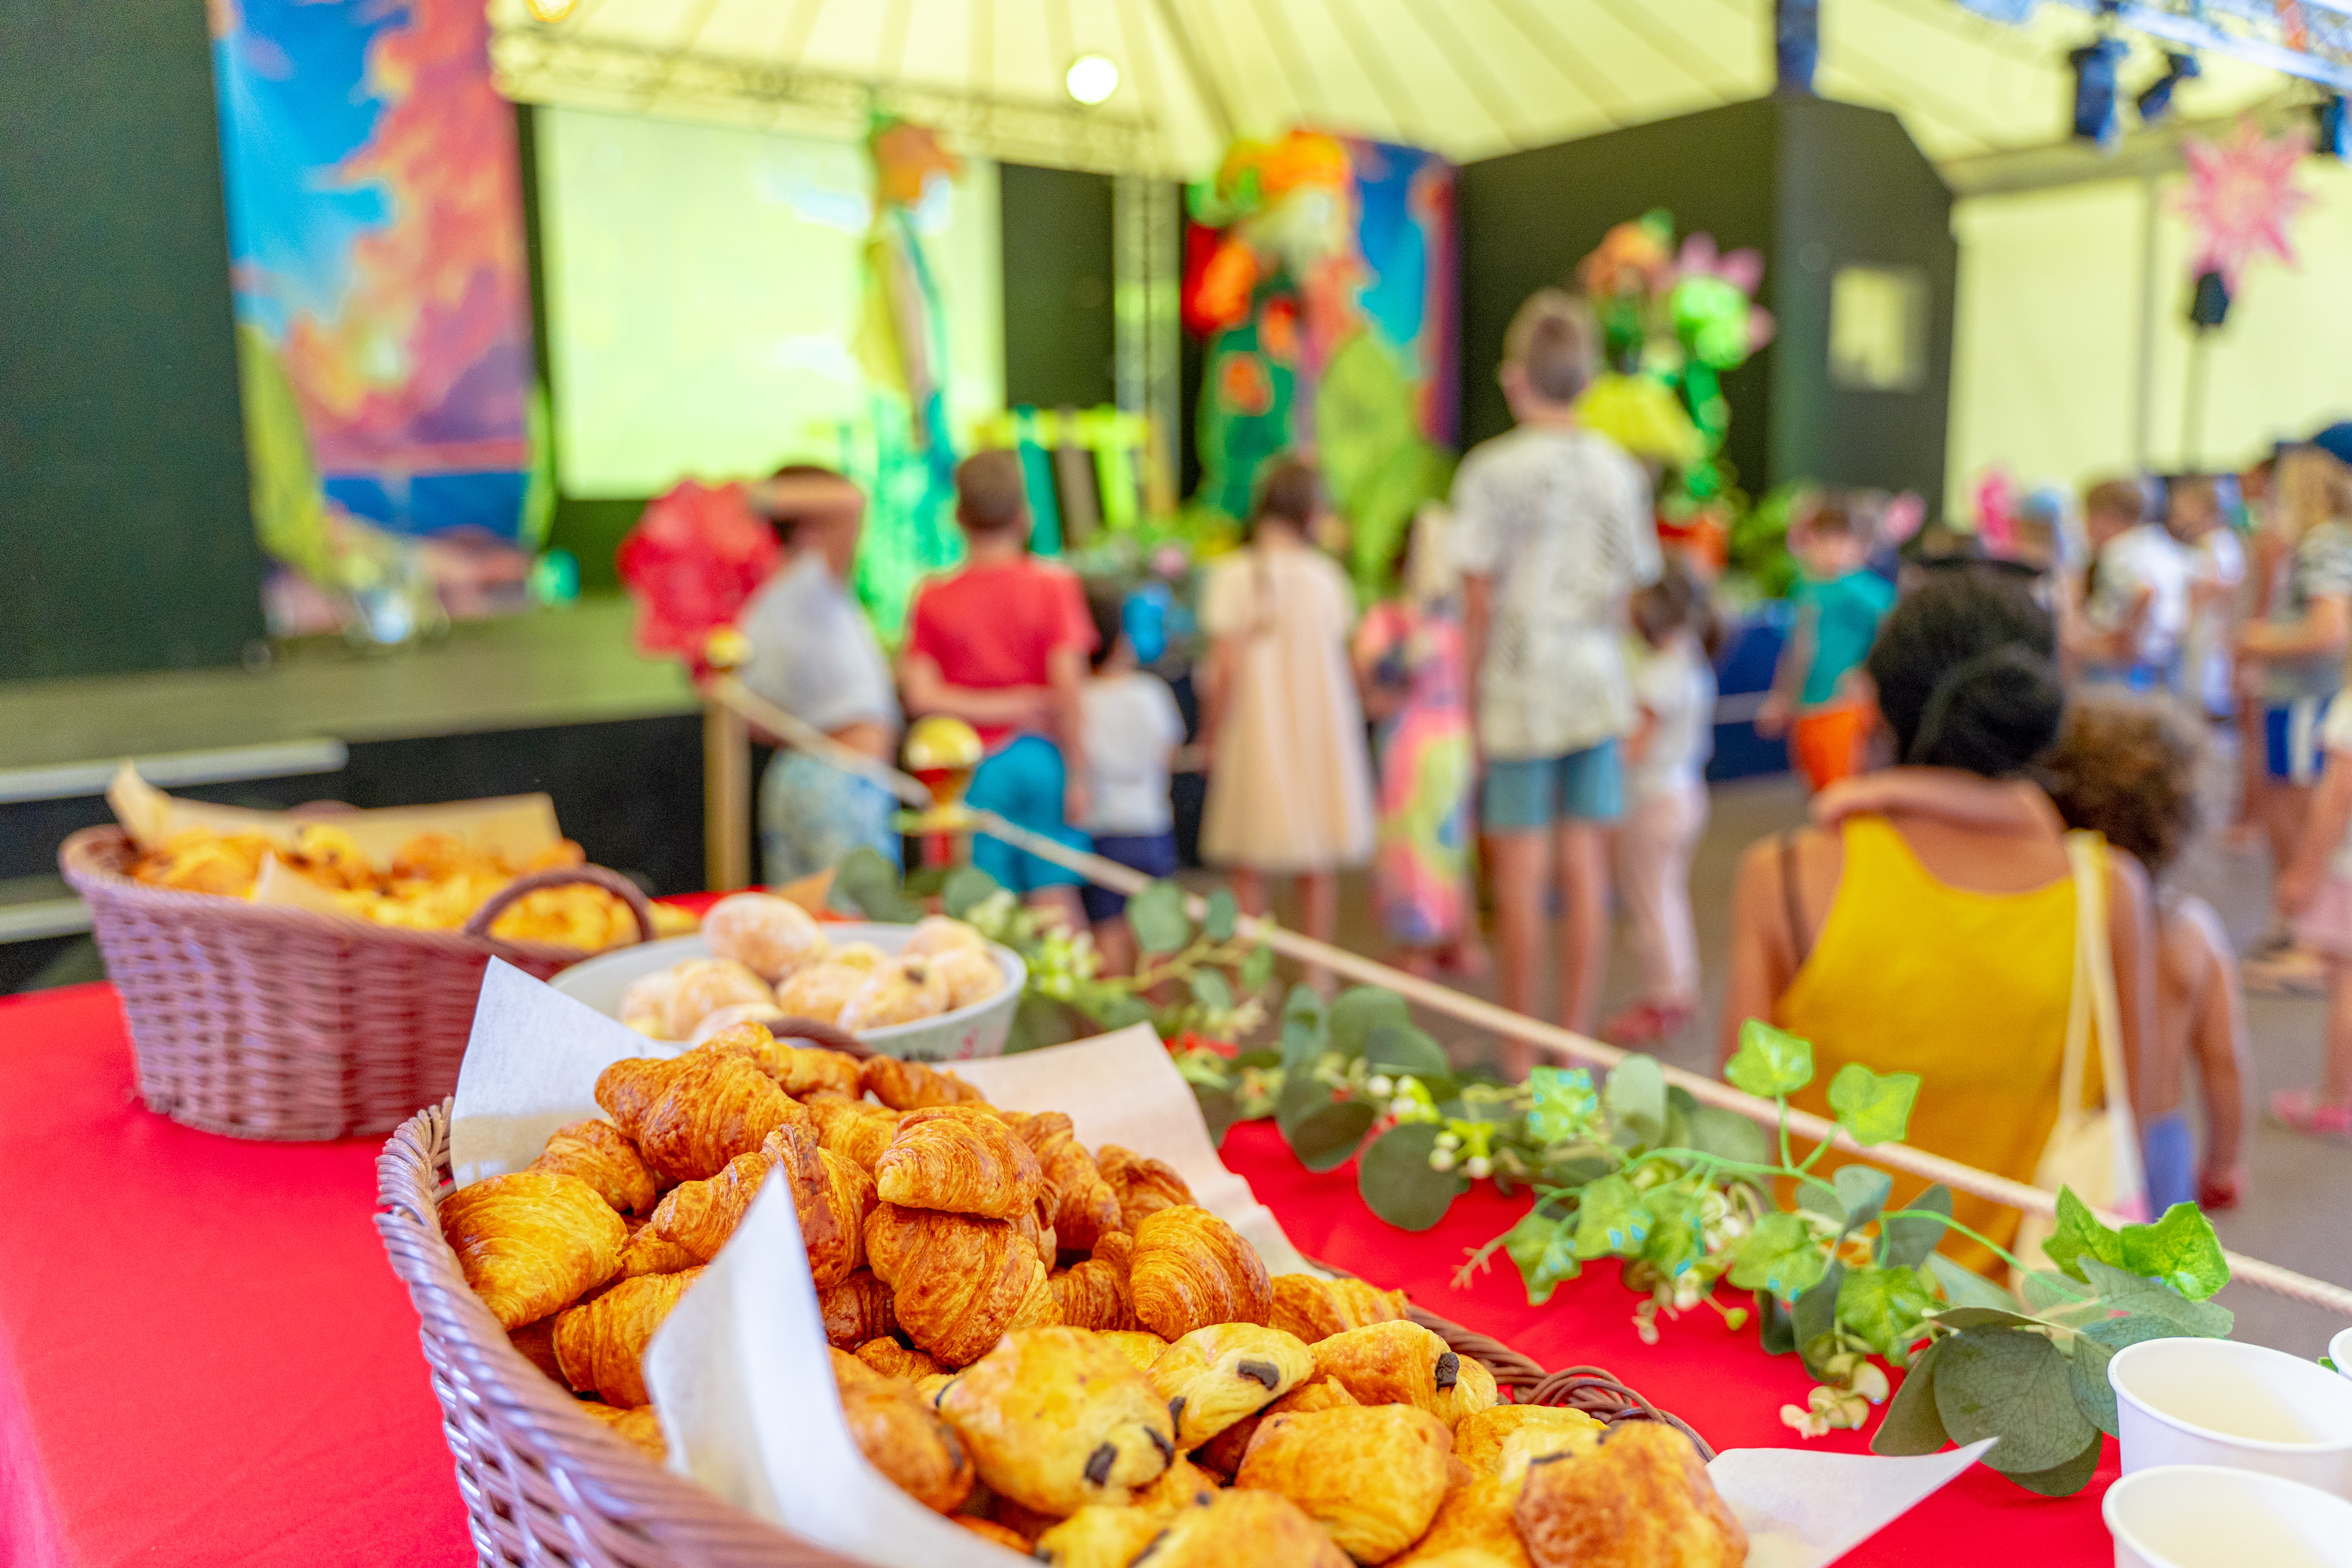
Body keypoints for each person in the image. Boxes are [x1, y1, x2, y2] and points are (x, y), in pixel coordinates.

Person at [1723, 573, 2155, 1274]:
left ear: (1881, 703)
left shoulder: (1787, 875)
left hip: (1822, 1314)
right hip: (2015, 1328)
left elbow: (1736, 1124)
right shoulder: (2108, 891)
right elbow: (2141, 1103)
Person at [1452, 290, 1661, 1058]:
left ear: (1515, 378)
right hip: (1596, 680)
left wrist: (1468, 701)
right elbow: (1628, 589)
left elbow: (1477, 600)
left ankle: (1517, 1046)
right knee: (1586, 863)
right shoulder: (1619, 471)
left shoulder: (1490, 470)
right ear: (1589, 378)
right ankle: (1572, 1042)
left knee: (1520, 865)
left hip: (1516, 685)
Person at [2043, 695, 2248, 1210]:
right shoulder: (2191, 932)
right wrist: (2222, 1163)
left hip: (2065, 1132)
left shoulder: (2054, 920)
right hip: (2157, 1143)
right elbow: (2224, 1061)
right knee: (2145, 1285)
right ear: (2175, 822)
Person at [900, 450, 1095, 925]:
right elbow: (1069, 689)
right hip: (1038, 757)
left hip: (964, 772)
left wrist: (985, 708)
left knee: (976, 911)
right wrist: (1079, 771)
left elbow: (921, 696)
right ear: (1023, 515)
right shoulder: (1053, 586)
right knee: (1055, 901)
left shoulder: (932, 596)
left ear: (958, 517)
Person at [1198, 458, 1375, 963]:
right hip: (1318, 728)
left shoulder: (1232, 574)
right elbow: (1352, 657)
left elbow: (1220, 672)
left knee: (1246, 859)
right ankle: (1315, 975)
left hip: (1255, 729)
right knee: (1315, 854)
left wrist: (1209, 735)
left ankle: (1244, 976)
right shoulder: (1326, 577)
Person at [735, 465, 903, 884]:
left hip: (799, 777)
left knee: (808, 927)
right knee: (863, 928)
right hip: (842, 785)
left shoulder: (762, 608)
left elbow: (751, 720)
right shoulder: (811, 583)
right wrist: (748, 497)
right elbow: (849, 501)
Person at [2239, 445, 2352, 988]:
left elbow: (2329, 630)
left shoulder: (2322, 542)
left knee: (2307, 813)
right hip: (2297, 695)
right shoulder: (2316, 542)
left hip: (2308, 696)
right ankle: (2302, 929)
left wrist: (2259, 640)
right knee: (2289, 805)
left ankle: (2310, 938)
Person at [1353, 505, 1481, 978]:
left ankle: (1419, 949)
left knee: (1415, 846)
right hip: (1454, 739)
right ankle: (1461, 940)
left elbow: (1367, 674)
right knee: (1452, 842)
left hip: (1413, 743)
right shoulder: (1460, 623)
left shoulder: (1393, 621)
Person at [1600, 559, 1719, 1048]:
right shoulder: (1688, 658)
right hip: (1684, 794)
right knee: (1666, 899)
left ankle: (1665, 998)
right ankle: (1677, 991)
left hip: (1654, 803)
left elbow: (1636, 746)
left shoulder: (1661, 674)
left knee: (1650, 906)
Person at [1077, 585, 1185, 976]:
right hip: (1151, 826)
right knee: (1157, 934)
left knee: (1107, 930)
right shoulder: (1151, 693)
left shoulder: (1078, 700)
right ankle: (1159, 1020)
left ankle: (1115, 1020)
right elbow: (1169, 751)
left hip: (1101, 830)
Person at [1756, 493, 1894, 793]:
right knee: (1818, 792)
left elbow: (1897, 632)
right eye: (1824, 538)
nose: (1832, 548)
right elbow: (1798, 648)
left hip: (1845, 708)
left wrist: (1869, 674)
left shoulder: (1864, 589)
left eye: (1842, 539)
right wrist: (1781, 697)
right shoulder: (1804, 587)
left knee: (1846, 795)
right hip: (1807, 708)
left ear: (1860, 544)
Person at [2074, 477, 2189, 691]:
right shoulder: (2159, 544)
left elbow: (2145, 592)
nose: (2086, 528)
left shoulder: (2118, 550)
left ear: (2108, 518)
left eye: (2089, 518)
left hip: (2120, 657)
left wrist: (2125, 639)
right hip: (2159, 657)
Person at [2167, 475, 2243, 720]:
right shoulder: (2211, 542)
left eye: (2181, 507)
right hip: (2202, 634)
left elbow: (2222, 588)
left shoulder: (2216, 543)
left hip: (2207, 635)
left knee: (2198, 697)